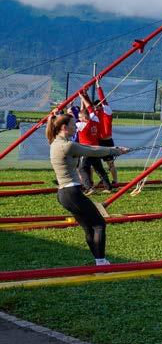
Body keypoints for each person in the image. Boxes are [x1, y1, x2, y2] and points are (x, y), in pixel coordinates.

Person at [46, 110, 127, 265]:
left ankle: (99, 260)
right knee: (99, 224)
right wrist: (115, 150)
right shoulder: (67, 146)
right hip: (71, 192)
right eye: (73, 124)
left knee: (89, 227)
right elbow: (91, 151)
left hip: (65, 193)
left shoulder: (56, 142)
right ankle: (101, 262)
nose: (76, 126)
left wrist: (115, 149)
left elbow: (87, 147)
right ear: (64, 127)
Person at [75, 92, 113, 194]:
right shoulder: (95, 120)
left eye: (80, 117)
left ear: (84, 118)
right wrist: (82, 98)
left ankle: (89, 187)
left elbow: (86, 110)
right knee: (99, 169)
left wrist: (82, 98)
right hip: (96, 148)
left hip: (86, 150)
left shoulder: (80, 125)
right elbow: (88, 108)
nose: (79, 119)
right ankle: (108, 187)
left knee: (82, 168)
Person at [94, 84, 119, 186]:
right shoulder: (95, 114)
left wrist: (98, 86)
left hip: (107, 141)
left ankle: (115, 181)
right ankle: (103, 179)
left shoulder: (107, 112)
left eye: (97, 107)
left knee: (110, 163)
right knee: (96, 164)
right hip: (98, 141)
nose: (96, 109)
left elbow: (103, 100)